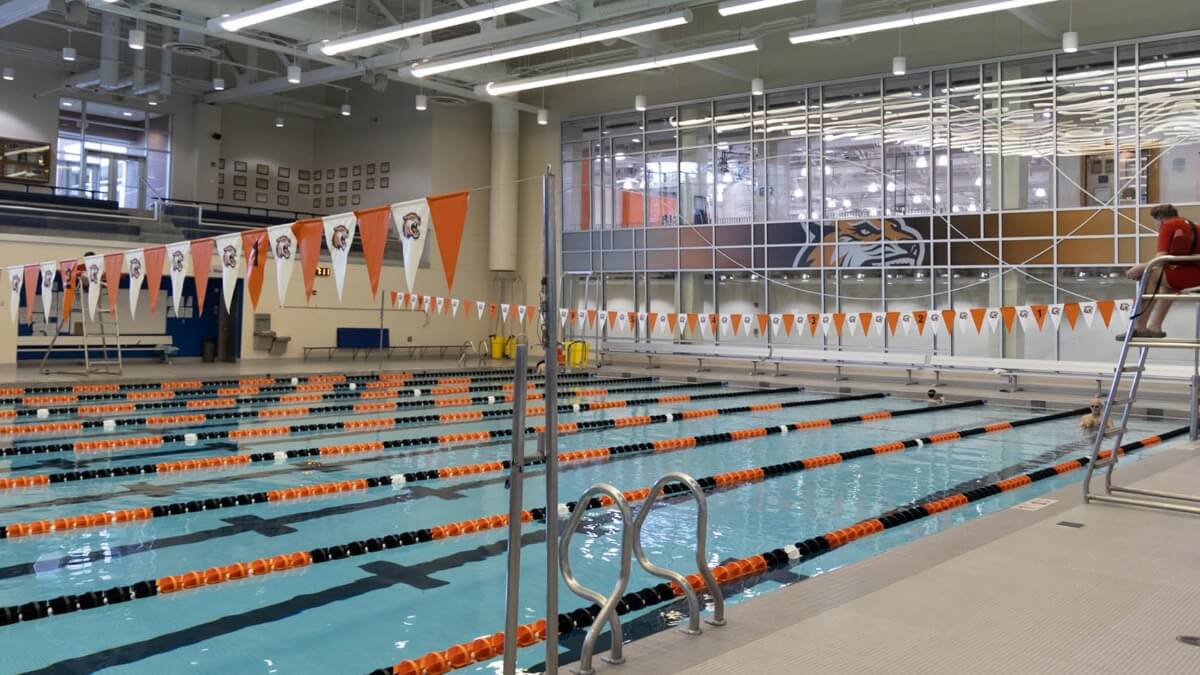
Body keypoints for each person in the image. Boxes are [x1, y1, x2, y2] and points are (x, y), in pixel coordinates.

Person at [1122, 204, 1200, 339]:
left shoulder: (1169, 225)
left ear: (1159, 218)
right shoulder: (1195, 226)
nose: (1156, 227)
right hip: (1194, 275)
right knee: (1166, 283)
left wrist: (1140, 269)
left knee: (1151, 275)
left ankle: (1139, 327)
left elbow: (1160, 259)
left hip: (1191, 276)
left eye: (1156, 223)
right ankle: (1155, 326)